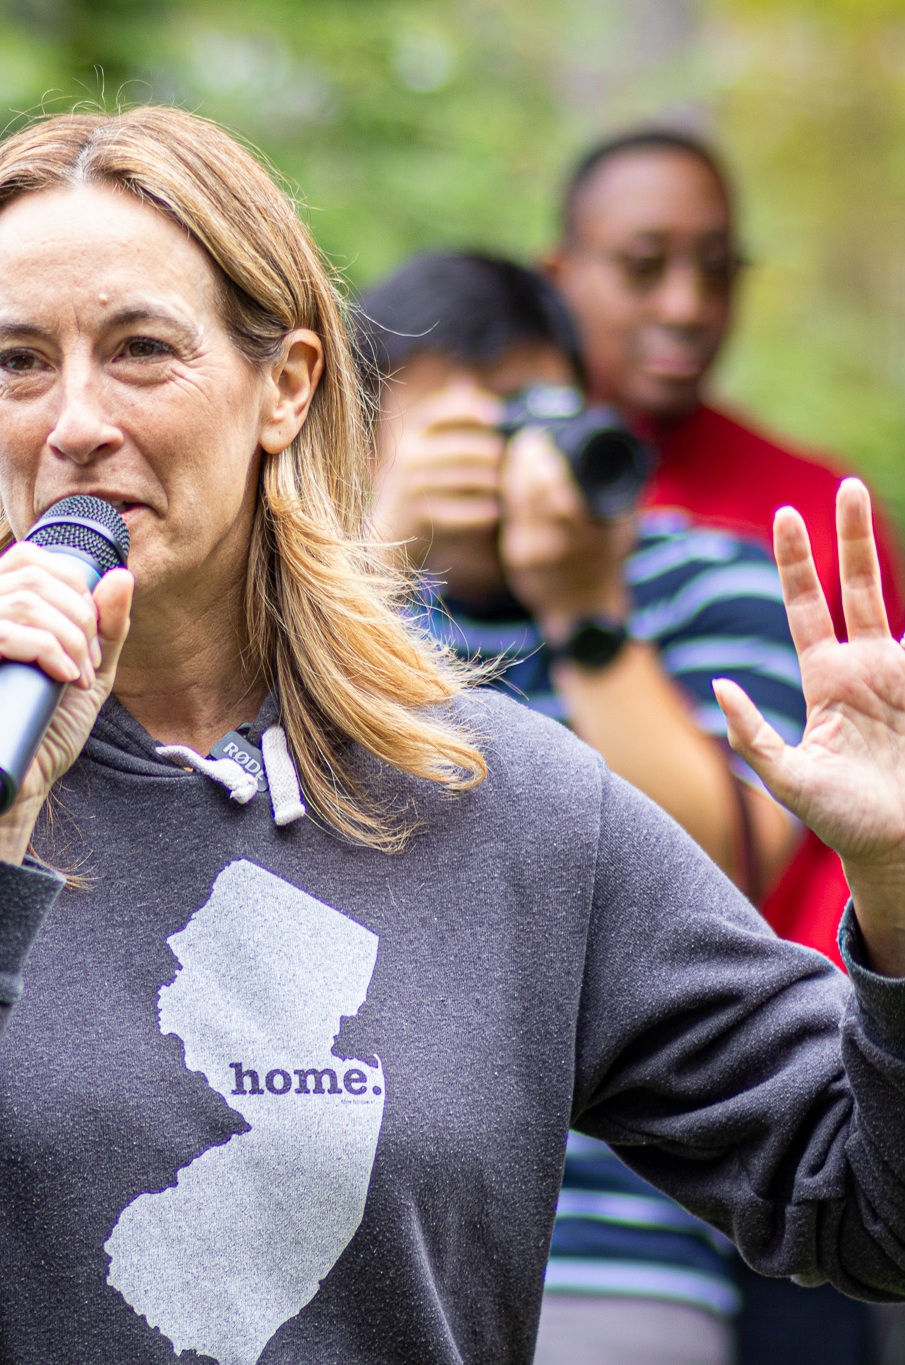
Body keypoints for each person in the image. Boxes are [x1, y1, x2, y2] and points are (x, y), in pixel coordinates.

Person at [0, 106, 905, 1365]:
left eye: (142, 349)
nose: (76, 422)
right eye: (20, 362)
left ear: (286, 390)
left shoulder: (501, 796)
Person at [359, 251, 805, 1365]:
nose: (494, 462)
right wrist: (369, 562)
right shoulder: (306, 610)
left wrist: (586, 614)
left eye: (520, 418)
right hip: (345, 1217)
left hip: (625, 1237)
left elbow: (721, 890)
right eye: (444, 430)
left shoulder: (714, 587)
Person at [545, 128, 905, 980]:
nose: (686, 305)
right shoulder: (495, 486)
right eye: (644, 264)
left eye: (717, 269)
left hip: (784, 989)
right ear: (560, 278)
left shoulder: (817, 504)